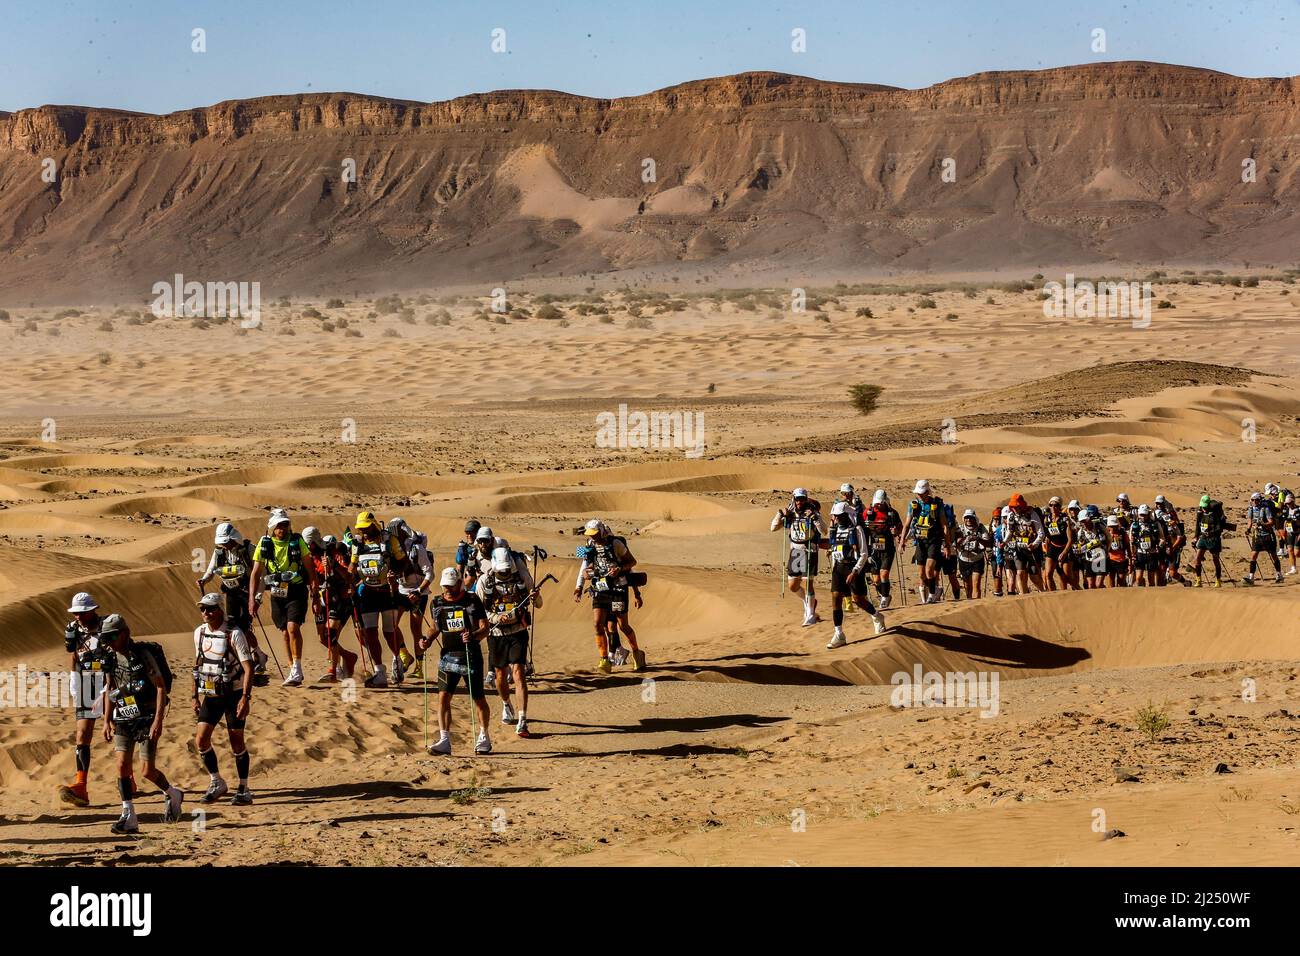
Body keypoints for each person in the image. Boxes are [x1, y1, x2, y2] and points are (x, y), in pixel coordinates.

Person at [100, 614, 183, 834]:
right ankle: (129, 816)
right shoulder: (109, 658)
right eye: (105, 638)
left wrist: (158, 719)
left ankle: (173, 794)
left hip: (146, 716)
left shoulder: (143, 655)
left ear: (125, 634)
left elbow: (159, 686)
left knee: (147, 771)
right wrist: (106, 720)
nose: (108, 642)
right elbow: (110, 689)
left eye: (112, 637)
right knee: (121, 766)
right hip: (123, 717)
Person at [58, 592, 123, 807]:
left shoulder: (107, 625)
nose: (77, 616)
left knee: (120, 730)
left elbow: (118, 653)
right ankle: (81, 786)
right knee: (82, 733)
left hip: (111, 680)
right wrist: (74, 679)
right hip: (86, 682)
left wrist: (112, 684)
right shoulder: (72, 629)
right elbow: (73, 654)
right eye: (75, 612)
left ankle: (128, 778)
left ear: (92, 610)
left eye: (81, 612)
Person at [192, 593, 255, 805]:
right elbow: (198, 663)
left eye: (209, 609)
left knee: (236, 742)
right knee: (201, 740)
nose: (205, 613)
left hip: (234, 694)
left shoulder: (234, 634)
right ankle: (216, 781)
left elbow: (248, 668)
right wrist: (195, 695)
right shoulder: (199, 633)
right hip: (211, 693)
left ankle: (244, 788)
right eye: (202, 609)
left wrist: (245, 697)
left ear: (220, 609)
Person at [477, 547, 543, 737]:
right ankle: (506, 703)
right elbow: (480, 611)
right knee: (500, 674)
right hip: (496, 634)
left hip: (518, 631)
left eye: (507, 569)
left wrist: (535, 596)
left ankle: (522, 720)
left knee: (518, 673)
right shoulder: (485, 581)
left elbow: (538, 603)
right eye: (501, 570)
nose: (505, 573)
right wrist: (496, 618)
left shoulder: (522, 578)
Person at [247, 510, 317, 687]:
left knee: (293, 628)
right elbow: (256, 573)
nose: (282, 528)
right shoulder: (264, 543)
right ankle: (292, 668)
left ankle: (297, 669)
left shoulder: (297, 541)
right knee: (285, 632)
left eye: (285, 524)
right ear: (272, 527)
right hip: (277, 592)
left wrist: (314, 588)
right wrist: (252, 599)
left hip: (296, 590)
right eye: (279, 525)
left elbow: (309, 565)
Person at [427, 567, 492, 756]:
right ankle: (444, 740)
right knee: (443, 698)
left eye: (450, 586)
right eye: (444, 586)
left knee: (478, 698)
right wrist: (427, 640)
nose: (447, 589)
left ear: (458, 584)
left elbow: (485, 629)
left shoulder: (472, 601)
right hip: (447, 657)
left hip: (470, 656)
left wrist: (472, 636)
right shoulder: (437, 602)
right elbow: (435, 627)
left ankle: (484, 736)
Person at [197, 523, 269, 683]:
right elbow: (211, 570)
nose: (225, 544)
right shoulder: (219, 553)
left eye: (227, 541)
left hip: (247, 594)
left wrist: (257, 598)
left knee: (243, 627)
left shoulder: (249, 549)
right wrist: (203, 580)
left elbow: (261, 576)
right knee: (232, 626)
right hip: (230, 594)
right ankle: (253, 657)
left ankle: (256, 655)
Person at [347, 510, 412, 687]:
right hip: (367, 593)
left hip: (387, 590)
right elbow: (352, 566)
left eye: (367, 528)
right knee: (370, 632)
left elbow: (404, 561)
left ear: (374, 525)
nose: (364, 532)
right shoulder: (357, 544)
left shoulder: (389, 540)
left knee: (389, 630)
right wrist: (350, 581)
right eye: (361, 529)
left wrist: (395, 574)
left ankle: (397, 660)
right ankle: (379, 672)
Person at [574, 519, 646, 673]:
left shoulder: (616, 544)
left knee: (622, 626)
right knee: (597, 624)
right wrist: (581, 582)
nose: (593, 537)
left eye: (595, 534)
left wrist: (620, 569)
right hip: (600, 589)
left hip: (618, 590)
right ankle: (604, 659)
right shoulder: (589, 545)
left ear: (602, 531)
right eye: (590, 534)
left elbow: (632, 563)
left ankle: (637, 654)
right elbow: (585, 566)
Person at [825, 501, 887, 648]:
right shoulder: (834, 530)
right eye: (836, 515)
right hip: (838, 568)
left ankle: (877, 616)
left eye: (840, 515)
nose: (838, 518)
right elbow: (834, 549)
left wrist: (855, 571)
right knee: (835, 598)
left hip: (853, 568)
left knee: (858, 600)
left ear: (847, 515)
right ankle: (839, 633)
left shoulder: (857, 529)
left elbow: (864, 553)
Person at [304, 528, 359, 682]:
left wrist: (333, 566)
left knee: (331, 636)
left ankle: (333, 671)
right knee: (323, 638)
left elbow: (348, 576)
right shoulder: (306, 556)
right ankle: (348, 657)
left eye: (308, 543)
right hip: (319, 599)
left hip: (337, 599)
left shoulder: (332, 553)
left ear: (314, 542)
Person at [772, 488, 826, 624]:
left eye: (802, 499)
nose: (799, 502)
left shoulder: (812, 512)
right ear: (794, 499)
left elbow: (824, 531)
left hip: (809, 550)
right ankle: (807, 602)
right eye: (797, 499)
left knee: (808, 583)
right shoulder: (790, 513)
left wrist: (815, 517)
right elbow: (773, 528)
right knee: (793, 586)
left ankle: (810, 614)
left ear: (806, 499)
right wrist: (780, 515)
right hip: (796, 551)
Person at [388, 517, 433, 679]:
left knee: (416, 630)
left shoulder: (416, 548)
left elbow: (430, 573)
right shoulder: (391, 549)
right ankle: (405, 654)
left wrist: (419, 591)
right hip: (400, 591)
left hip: (418, 593)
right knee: (391, 625)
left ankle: (420, 668)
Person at [902, 479, 952, 604]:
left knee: (929, 570)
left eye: (922, 492)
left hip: (934, 541)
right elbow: (907, 524)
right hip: (920, 542)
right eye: (918, 493)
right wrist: (902, 540)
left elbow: (944, 525)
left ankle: (931, 595)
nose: (919, 495)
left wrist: (947, 545)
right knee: (921, 574)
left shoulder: (936, 504)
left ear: (927, 492)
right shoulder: (913, 505)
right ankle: (934, 591)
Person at [863, 489, 902, 608]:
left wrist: (896, 532)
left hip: (888, 548)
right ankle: (885, 594)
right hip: (874, 548)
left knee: (884, 574)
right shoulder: (868, 513)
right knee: (876, 579)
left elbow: (900, 527)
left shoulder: (892, 513)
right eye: (876, 503)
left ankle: (884, 598)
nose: (878, 505)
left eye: (880, 502)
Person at [1004, 494, 1045, 595]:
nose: (1014, 509)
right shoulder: (1011, 516)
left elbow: (1041, 533)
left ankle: (1043, 592)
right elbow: (1010, 531)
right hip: (1019, 549)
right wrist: (1004, 542)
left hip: (1032, 550)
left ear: (1021, 505)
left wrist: (1034, 544)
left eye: (1016, 506)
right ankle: (1023, 596)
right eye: (1012, 507)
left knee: (1034, 576)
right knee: (1020, 573)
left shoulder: (1032, 515)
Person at [1243, 491, 1283, 584]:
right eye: (1253, 500)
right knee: (1253, 555)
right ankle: (1251, 577)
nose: (1254, 502)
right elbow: (1250, 520)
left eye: (1256, 500)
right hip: (1257, 536)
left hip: (1267, 535)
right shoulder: (1251, 509)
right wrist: (1248, 529)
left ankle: (1279, 574)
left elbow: (1271, 522)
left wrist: (1263, 524)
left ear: (1259, 500)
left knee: (1273, 555)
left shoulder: (1265, 509)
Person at [1192, 494, 1228, 587]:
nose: (1203, 508)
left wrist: (1211, 532)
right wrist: (1195, 537)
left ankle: (1218, 580)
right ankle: (1198, 580)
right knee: (1197, 559)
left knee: (1215, 559)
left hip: (1213, 539)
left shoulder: (1215, 514)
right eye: (1202, 506)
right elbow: (1197, 526)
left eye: (1204, 506)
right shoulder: (1200, 512)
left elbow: (1219, 528)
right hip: (1203, 538)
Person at [954, 509, 990, 599]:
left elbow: (987, 543)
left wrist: (977, 539)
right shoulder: (960, 529)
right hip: (963, 560)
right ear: (964, 519)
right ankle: (969, 602)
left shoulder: (981, 528)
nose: (968, 520)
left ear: (974, 518)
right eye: (967, 518)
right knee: (967, 586)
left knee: (976, 584)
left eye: (970, 518)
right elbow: (956, 544)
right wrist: (963, 539)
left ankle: (976, 605)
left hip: (977, 560)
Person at [1040, 497, 1075, 590]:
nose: (1053, 508)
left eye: (1056, 505)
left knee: (1068, 577)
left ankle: (1079, 591)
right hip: (1053, 548)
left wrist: (1064, 553)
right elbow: (1048, 537)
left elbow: (1070, 539)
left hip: (1064, 548)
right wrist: (1047, 552)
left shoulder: (1065, 520)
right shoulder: (1047, 519)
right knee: (1048, 575)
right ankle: (1054, 596)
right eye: (1051, 505)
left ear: (1060, 507)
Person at [1154, 495, 1187, 586]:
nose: (1159, 505)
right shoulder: (1155, 514)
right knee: (1161, 570)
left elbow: (1179, 535)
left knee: (1172, 573)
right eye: (1157, 503)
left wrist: (1172, 548)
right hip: (1162, 546)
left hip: (1174, 547)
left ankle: (1186, 583)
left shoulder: (1170, 514)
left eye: (1160, 503)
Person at [1129, 505, 1165, 587]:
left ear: (1148, 514)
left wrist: (1158, 547)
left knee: (1151, 579)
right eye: (1141, 514)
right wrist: (1133, 553)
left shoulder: (1155, 524)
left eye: (1144, 514)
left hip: (1152, 553)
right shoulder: (1134, 525)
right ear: (1138, 514)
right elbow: (1131, 540)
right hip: (1139, 553)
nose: (1143, 517)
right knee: (1138, 578)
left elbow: (1162, 538)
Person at [1074, 510, 1107, 589]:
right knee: (1091, 585)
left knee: (1098, 584)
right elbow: (1080, 545)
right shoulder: (1080, 532)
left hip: (1100, 557)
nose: (1084, 523)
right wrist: (1078, 548)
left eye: (1085, 520)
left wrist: (1107, 550)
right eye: (1082, 521)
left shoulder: (1099, 527)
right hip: (1088, 558)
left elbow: (1107, 538)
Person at [1104, 515, 1129, 588]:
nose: (1113, 528)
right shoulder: (1105, 534)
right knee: (1111, 582)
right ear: (1108, 526)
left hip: (1121, 560)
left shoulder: (1123, 533)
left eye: (1115, 526)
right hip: (1110, 560)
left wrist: (1130, 559)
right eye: (1111, 526)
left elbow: (1128, 546)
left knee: (1121, 582)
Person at [1282, 492, 1300, 576]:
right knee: (1290, 550)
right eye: (1287, 503)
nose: (1288, 505)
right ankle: (1293, 568)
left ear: (1293, 501)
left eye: (1289, 503)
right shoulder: (1286, 510)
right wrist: (1284, 530)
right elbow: (1285, 521)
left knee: (1297, 553)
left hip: (1298, 532)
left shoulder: (1298, 510)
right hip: (1290, 532)